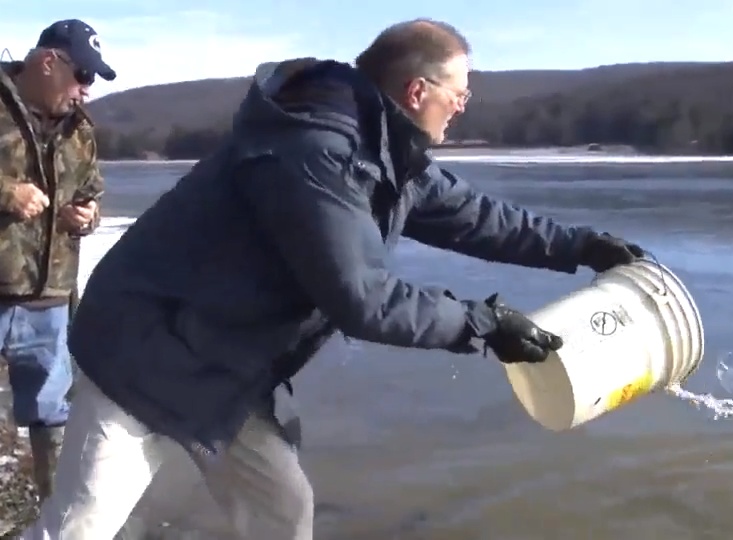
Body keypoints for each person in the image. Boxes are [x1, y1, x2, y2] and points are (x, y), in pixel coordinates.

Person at [20, 19, 646, 540]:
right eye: (459, 90)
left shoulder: (383, 151)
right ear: (415, 89)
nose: (464, 103)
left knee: (282, 512)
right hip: (143, 353)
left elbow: (478, 218)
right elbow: (362, 298)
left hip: (223, 362)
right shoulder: (317, 154)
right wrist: (483, 324)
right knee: (81, 525)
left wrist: (581, 247)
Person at [0, 19, 112, 502]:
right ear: (49, 62)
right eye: (81, 76)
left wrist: (85, 216)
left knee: (53, 417)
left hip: (48, 300)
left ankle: (57, 521)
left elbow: (92, 195)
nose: (85, 91)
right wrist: (6, 194)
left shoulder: (80, 131)